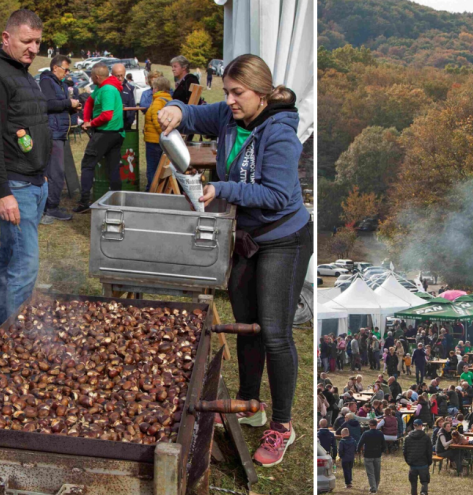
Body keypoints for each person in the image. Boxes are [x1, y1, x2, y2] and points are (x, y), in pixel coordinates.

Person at [157, 53, 312, 467]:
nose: (229, 100)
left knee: (275, 331)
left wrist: (222, 189)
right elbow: (192, 114)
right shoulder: (228, 117)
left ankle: (282, 425)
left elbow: (278, 196)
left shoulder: (280, 133)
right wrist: (175, 109)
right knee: (247, 326)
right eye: (226, 92)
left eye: (237, 93)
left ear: (261, 93)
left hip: (284, 239)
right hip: (246, 238)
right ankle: (249, 404)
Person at [0, 10, 51, 335]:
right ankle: (12, 343)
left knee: (10, 260)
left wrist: (40, 172)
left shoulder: (22, 72)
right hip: (13, 186)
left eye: (37, 42)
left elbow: (28, 121)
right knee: (24, 265)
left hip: (32, 180)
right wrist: (2, 191)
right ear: (6, 38)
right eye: (26, 41)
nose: (33, 48)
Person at [73, 62, 125, 213]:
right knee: (113, 167)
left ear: (96, 76)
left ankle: (84, 202)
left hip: (106, 133)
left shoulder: (107, 89)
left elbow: (107, 115)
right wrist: (86, 118)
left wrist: (91, 123)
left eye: (91, 75)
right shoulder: (102, 87)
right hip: (115, 134)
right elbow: (89, 101)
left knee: (87, 165)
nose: (90, 77)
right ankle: (117, 202)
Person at [38, 54, 80, 223]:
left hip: (59, 131)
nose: (67, 73)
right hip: (53, 132)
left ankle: (50, 206)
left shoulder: (58, 83)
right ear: (55, 68)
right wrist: (69, 104)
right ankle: (51, 208)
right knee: (56, 171)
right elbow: (48, 104)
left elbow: (58, 106)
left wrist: (71, 109)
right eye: (65, 69)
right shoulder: (47, 82)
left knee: (55, 171)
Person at [142, 76, 172, 191]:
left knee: (153, 170)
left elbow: (158, 121)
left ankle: (152, 191)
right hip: (162, 142)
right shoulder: (169, 100)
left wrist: (165, 135)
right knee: (161, 170)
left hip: (154, 142)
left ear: (156, 89)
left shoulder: (157, 102)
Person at [358, 419, 386, 494]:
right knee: (377, 472)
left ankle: (373, 488)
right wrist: (382, 451)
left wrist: (358, 451)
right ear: (376, 425)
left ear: (369, 425)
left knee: (370, 473)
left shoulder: (366, 433)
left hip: (368, 455)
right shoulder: (380, 433)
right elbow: (384, 444)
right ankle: (376, 486)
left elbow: (360, 443)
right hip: (377, 454)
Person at [404, 419, 431, 495]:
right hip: (423, 463)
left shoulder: (407, 437)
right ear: (421, 426)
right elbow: (429, 451)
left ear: (414, 426)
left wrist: (408, 461)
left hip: (413, 464)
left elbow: (405, 451)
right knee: (424, 481)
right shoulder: (426, 437)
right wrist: (429, 462)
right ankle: (423, 492)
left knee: (413, 483)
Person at [111, 63, 136, 130]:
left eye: (122, 75)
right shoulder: (107, 88)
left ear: (125, 74)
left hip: (126, 124)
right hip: (111, 125)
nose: (120, 78)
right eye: (117, 76)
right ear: (112, 75)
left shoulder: (130, 88)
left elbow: (133, 107)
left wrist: (129, 122)